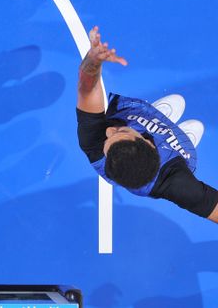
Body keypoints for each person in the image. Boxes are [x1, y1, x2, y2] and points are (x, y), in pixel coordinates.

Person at [76, 25, 218, 221]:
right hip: (174, 159)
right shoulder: (176, 182)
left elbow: (87, 90)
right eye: (120, 132)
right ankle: (174, 140)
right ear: (148, 143)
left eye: (114, 134)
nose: (108, 130)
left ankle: (158, 124)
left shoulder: (94, 143)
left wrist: (93, 60)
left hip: (139, 123)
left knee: (166, 105)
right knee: (184, 148)